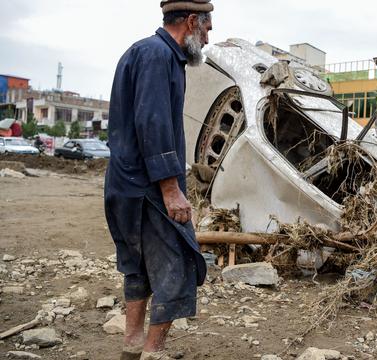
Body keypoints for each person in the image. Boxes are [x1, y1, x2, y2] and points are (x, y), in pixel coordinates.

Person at [104, 1, 213, 359]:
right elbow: (153, 124)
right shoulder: (157, 56)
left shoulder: (143, 52)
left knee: (138, 268)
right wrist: (171, 189)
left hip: (125, 183)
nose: (209, 37)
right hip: (148, 188)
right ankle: (153, 351)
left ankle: (132, 345)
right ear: (192, 21)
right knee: (180, 263)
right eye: (208, 27)